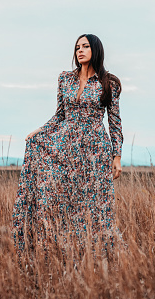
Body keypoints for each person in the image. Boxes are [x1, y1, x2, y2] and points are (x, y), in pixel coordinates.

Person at [12, 34, 123, 259]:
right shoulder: (65, 79)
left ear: (96, 50)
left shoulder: (109, 83)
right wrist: (40, 131)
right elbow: (60, 115)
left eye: (85, 47)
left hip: (95, 151)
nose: (79, 51)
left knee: (96, 203)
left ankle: (99, 255)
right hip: (67, 148)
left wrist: (116, 156)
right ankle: (60, 249)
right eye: (77, 47)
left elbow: (115, 122)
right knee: (65, 200)